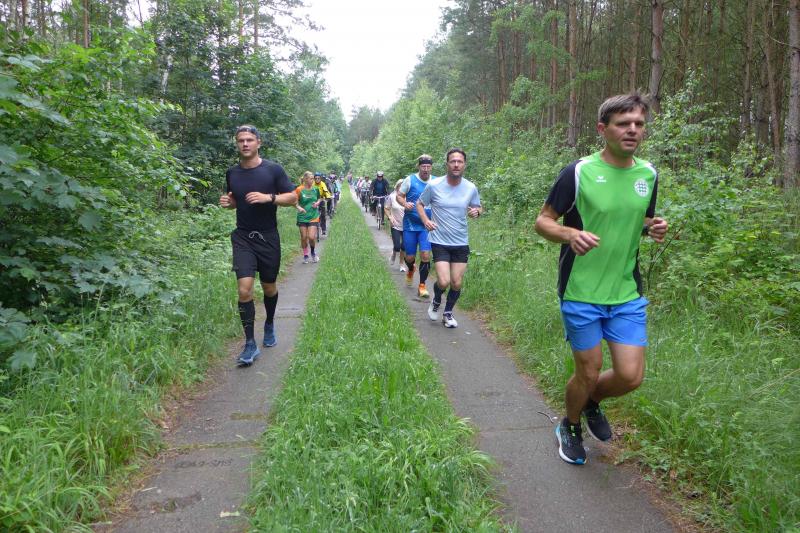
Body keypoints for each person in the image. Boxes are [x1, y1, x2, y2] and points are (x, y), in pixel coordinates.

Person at [533, 92, 668, 465]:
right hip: (581, 289)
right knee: (588, 370)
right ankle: (570, 424)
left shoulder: (648, 174)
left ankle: (591, 401)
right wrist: (570, 234)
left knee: (630, 376)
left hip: (625, 290)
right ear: (602, 129)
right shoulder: (578, 172)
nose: (632, 130)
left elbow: (637, 218)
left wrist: (652, 227)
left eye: (639, 124)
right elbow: (543, 221)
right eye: (623, 124)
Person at [219, 125, 297, 366]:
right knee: (244, 290)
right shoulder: (232, 173)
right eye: (241, 140)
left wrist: (269, 198)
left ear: (258, 143)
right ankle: (250, 344)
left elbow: (293, 197)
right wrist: (230, 203)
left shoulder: (273, 170)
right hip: (243, 237)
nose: (245, 144)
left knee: (269, 287)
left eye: (249, 140)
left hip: (268, 237)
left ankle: (270, 322)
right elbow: (236, 201)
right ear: (236, 143)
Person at [417, 148, 482, 328]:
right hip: (440, 240)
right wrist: (426, 221)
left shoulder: (470, 188)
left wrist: (477, 212)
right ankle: (437, 300)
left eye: (459, 161)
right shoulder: (434, 185)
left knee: (456, 282)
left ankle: (448, 313)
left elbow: (477, 206)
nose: (456, 165)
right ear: (447, 164)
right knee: (444, 281)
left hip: (461, 241)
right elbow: (420, 204)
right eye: (453, 161)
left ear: (464, 165)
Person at [398, 155, 435, 298]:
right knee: (409, 257)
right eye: (423, 166)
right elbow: (399, 196)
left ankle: (422, 285)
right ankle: (411, 269)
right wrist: (404, 203)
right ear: (419, 167)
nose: (426, 169)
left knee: (425, 255)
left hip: (427, 225)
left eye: (428, 167)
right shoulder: (410, 180)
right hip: (410, 224)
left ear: (431, 167)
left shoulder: (436, 181)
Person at [295, 171, 323, 264]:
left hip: (313, 216)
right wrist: (299, 207)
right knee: (304, 237)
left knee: (311, 237)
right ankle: (305, 255)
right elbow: (294, 201)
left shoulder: (315, 189)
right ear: (306, 179)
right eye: (311, 179)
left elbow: (319, 198)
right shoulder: (299, 189)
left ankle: (313, 253)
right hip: (302, 217)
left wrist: (317, 203)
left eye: (313, 179)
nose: (313, 180)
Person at [385, 179, 407, 270]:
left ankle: (401, 264)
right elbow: (386, 208)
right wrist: (390, 217)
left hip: (407, 226)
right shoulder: (392, 196)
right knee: (397, 246)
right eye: (400, 186)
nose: (402, 188)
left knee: (404, 246)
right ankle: (394, 253)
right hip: (395, 225)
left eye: (404, 186)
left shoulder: (409, 196)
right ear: (397, 186)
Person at [313, 172, 332, 237]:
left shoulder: (322, 184)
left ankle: (323, 229)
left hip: (321, 199)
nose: (317, 179)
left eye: (318, 178)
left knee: (323, 215)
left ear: (320, 178)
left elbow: (326, 191)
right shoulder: (312, 184)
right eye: (316, 178)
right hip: (314, 200)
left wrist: (328, 196)